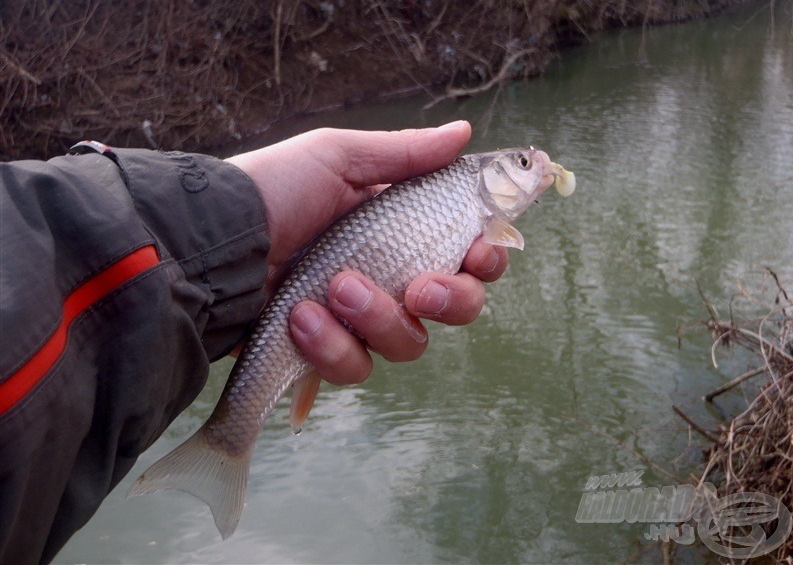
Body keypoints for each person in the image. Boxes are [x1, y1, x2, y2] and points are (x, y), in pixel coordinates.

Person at [0, 121, 509, 563]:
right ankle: (227, 437)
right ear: (491, 174)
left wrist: (229, 232)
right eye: (523, 163)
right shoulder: (460, 186)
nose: (536, 169)